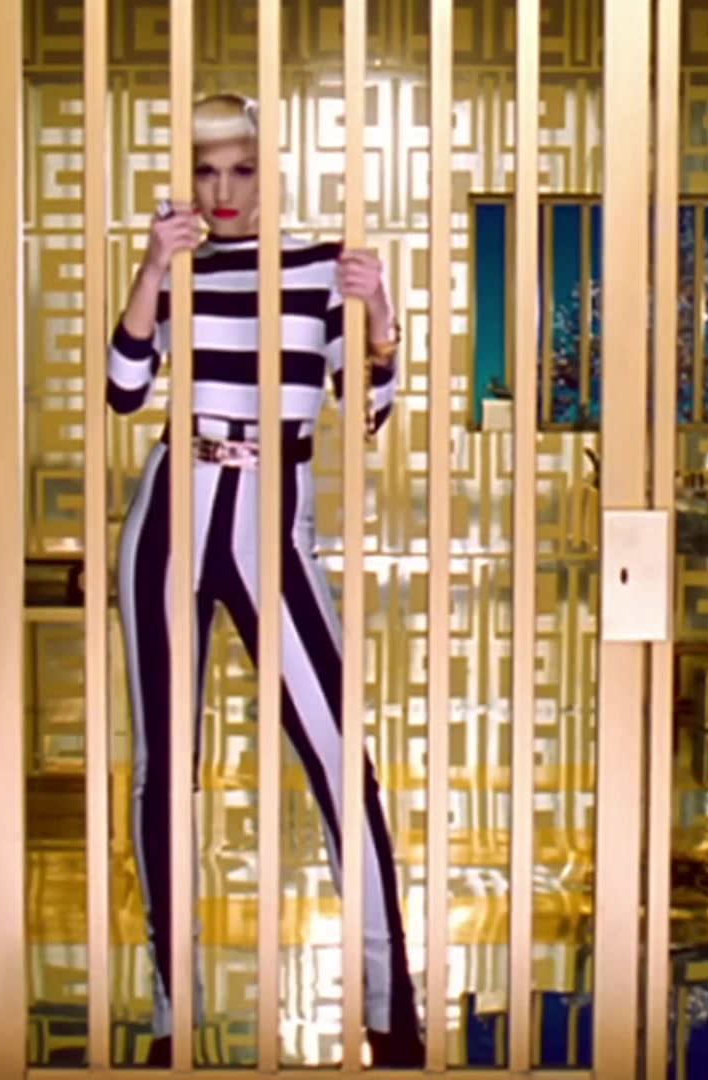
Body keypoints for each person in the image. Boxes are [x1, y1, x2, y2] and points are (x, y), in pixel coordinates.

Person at [107, 92, 425, 1068]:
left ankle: (390, 1008)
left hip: (271, 513)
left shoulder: (320, 266)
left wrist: (380, 317)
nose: (224, 189)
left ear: (268, 172)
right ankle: (172, 1016)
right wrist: (151, 271)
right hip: (170, 508)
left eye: (241, 169)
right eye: (206, 170)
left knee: (339, 759)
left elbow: (364, 406)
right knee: (164, 766)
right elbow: (124, 389)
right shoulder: (178, 263)